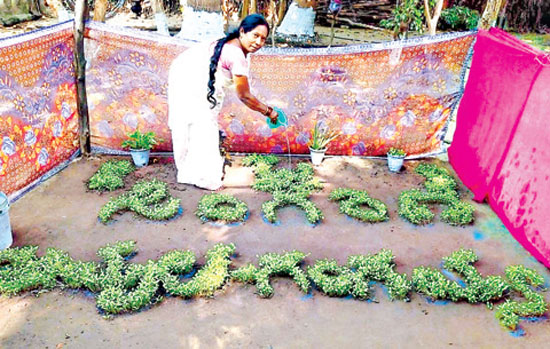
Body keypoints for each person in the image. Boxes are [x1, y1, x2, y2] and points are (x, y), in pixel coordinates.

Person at [169, 14, 279, 191]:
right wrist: (269, 111)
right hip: (187, 81)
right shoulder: (236, 54)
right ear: (242, 32)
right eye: (255, 35)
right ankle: (204, 177)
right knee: (203, 126)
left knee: (199, 125)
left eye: (263, 39)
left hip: (186, 77)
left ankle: (190, 171)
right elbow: (244, 96)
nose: (259, 42)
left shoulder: (233, 45)